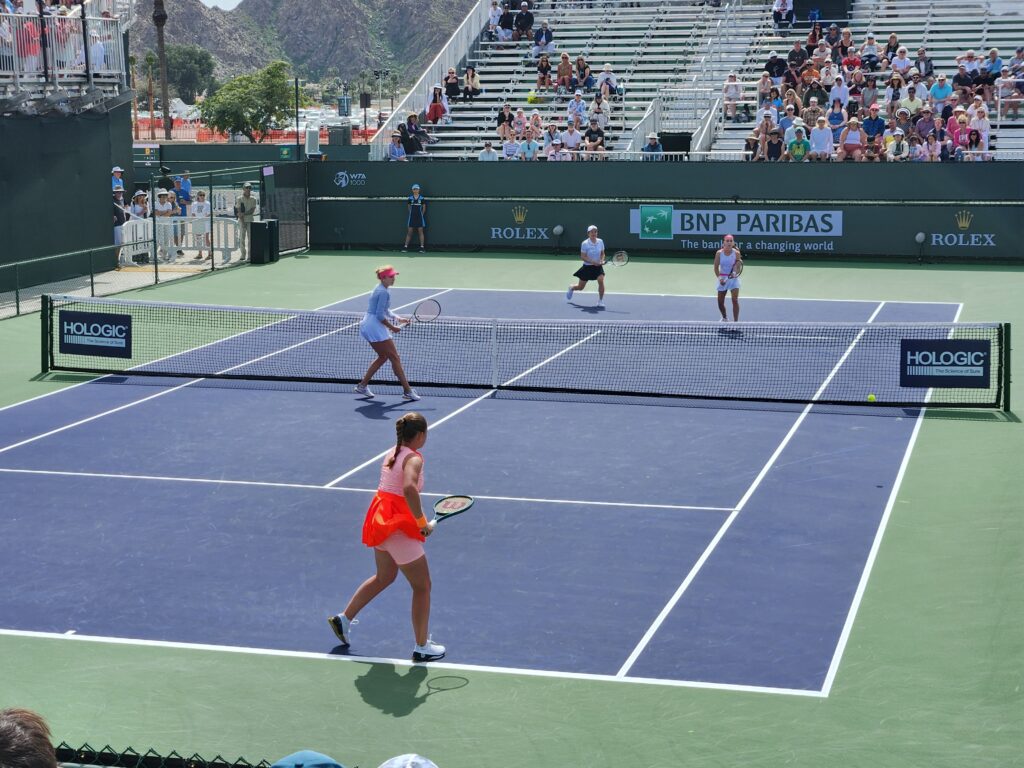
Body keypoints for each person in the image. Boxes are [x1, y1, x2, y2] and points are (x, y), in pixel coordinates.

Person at [329, 412, 444, 663]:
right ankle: (422, 646)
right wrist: (422, 523)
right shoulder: (413, 459)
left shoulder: (392, 453)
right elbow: (409, 489)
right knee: (422, 587)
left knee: (385, 576)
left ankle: (344, 618)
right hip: (397, 527)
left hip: (381, 520)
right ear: (421, 435)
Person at [354, 266, 420, 401]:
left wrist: (398, 318)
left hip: (369, 324)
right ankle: (407, 391)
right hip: (374, 326)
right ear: (383, 278)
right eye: (391, 276)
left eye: (394, 276)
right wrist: (393, 327)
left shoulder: (379, 288)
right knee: (394, 357)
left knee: (384, 356)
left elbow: (385, 310)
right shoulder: (384, 292)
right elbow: (379, 315)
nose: (394, 278)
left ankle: (362, 386)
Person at [566, 224, 606, 308]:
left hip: (598, 267)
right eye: (591, 232)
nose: (593, 233)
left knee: (601, 280)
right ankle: (571, 288)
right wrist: (593, 262)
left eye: (595, 232)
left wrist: (602, 260)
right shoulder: (585, 243)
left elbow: (602, 253)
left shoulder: (600, 241)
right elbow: (583, 256)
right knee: (580, 287)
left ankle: (600, 301)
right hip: (587, 267)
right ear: (588, 233)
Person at [714, 235, 743, 322]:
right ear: (724, 242)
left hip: (733, 280)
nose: (729, 242)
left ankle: (736, 322)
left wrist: (735, 273)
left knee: (735, 300)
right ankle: (725, 317)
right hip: (722, 278)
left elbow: (737, 266)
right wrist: (720, 279)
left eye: (731, 241)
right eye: (727, 241)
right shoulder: (719, 253)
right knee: (720, 301)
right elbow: (715, 267)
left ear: (733, 242)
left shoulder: (737, 253)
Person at [235, 181, 257, 260]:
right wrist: (242, 221)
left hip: (250, 220)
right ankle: (243, 254)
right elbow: (239, 211)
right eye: (247, 187)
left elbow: (252, 210)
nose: (248, 189)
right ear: (243, 189)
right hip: (242, 221)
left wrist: (243, 214)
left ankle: (249, 255)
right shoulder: (239, 198)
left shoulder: (253, 199)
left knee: (250, 238)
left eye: (249, 188)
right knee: (242, 238)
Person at [402, 184, 426, 253]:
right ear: (412, 190)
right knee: (409, 232)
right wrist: (411, 213)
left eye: (417, 189)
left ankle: (422, 247)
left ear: (419, 190)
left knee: (420, 232)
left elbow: (424, 207)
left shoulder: (422, 198)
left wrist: (421, 215)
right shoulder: (410, 198)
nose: (416, 190)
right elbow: (408, 206)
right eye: (414, 189)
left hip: (419, 218)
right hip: (411, 218)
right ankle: (405, 247)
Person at [191, 188, 212, 260]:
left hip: (205, 222)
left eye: (203, 195)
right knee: (198, 238)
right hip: (197, 222)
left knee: (206, 238)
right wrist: (196, 220)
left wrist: (203, 218)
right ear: (198, 196)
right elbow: (193, 214)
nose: (202, 196)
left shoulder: (207, 203)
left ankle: (210, 253)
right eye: (201, 195)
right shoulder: (194, 204)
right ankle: (200, 253)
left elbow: (209, 213)